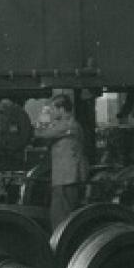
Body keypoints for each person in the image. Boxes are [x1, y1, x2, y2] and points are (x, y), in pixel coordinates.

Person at [33, 96, 87, 226]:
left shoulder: (68, 125)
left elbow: (42, 133)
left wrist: (44, 113)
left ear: (61, 109)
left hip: (67, 179)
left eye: (53, 109)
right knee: (59, 216)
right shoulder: (62, 125)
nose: (51, 112)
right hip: (63, 179)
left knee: (62, 218)